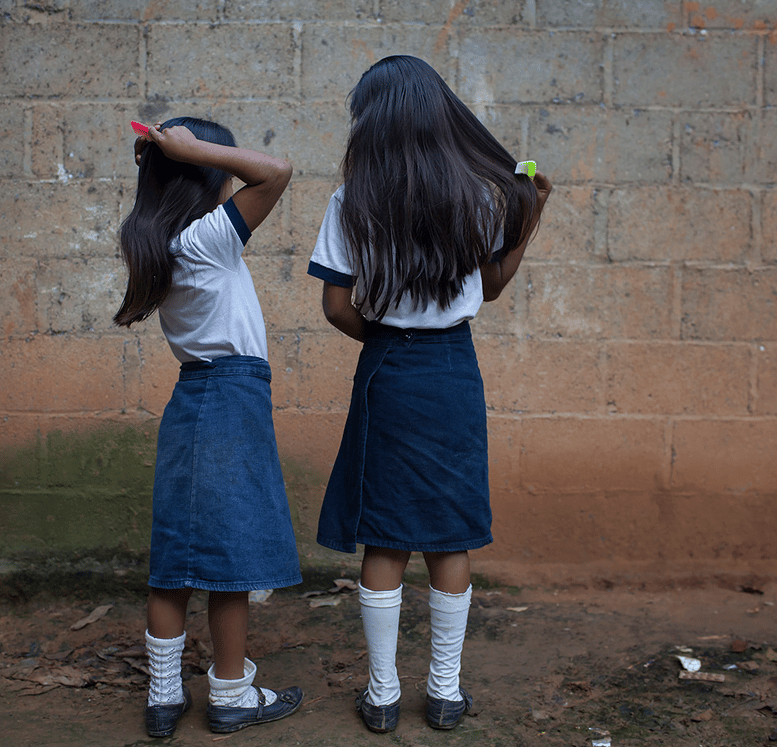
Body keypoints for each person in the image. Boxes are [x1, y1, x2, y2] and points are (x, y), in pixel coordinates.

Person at [306, 56, 551, 733]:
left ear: (371, 119)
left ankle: (381, 694)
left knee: (383, 535)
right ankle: (444, 692)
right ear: (440, 112)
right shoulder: (475, 193)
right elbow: (490, 287)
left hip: (388, 371)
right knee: (449, 533)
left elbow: (334, 305)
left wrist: (385, 339)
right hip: (452, 372)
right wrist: (530, 218)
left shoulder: (351, 199)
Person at [116, 117, 304, 737]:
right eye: (215, 167)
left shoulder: (158, 239)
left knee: (175, 557)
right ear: (202, 176)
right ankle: (230, 694)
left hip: (194, 399)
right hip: (229, 400)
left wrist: (180, 157)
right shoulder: (205, 239)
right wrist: (194, 148)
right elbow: (275, 172)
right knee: (230, 556)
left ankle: (166, 696)